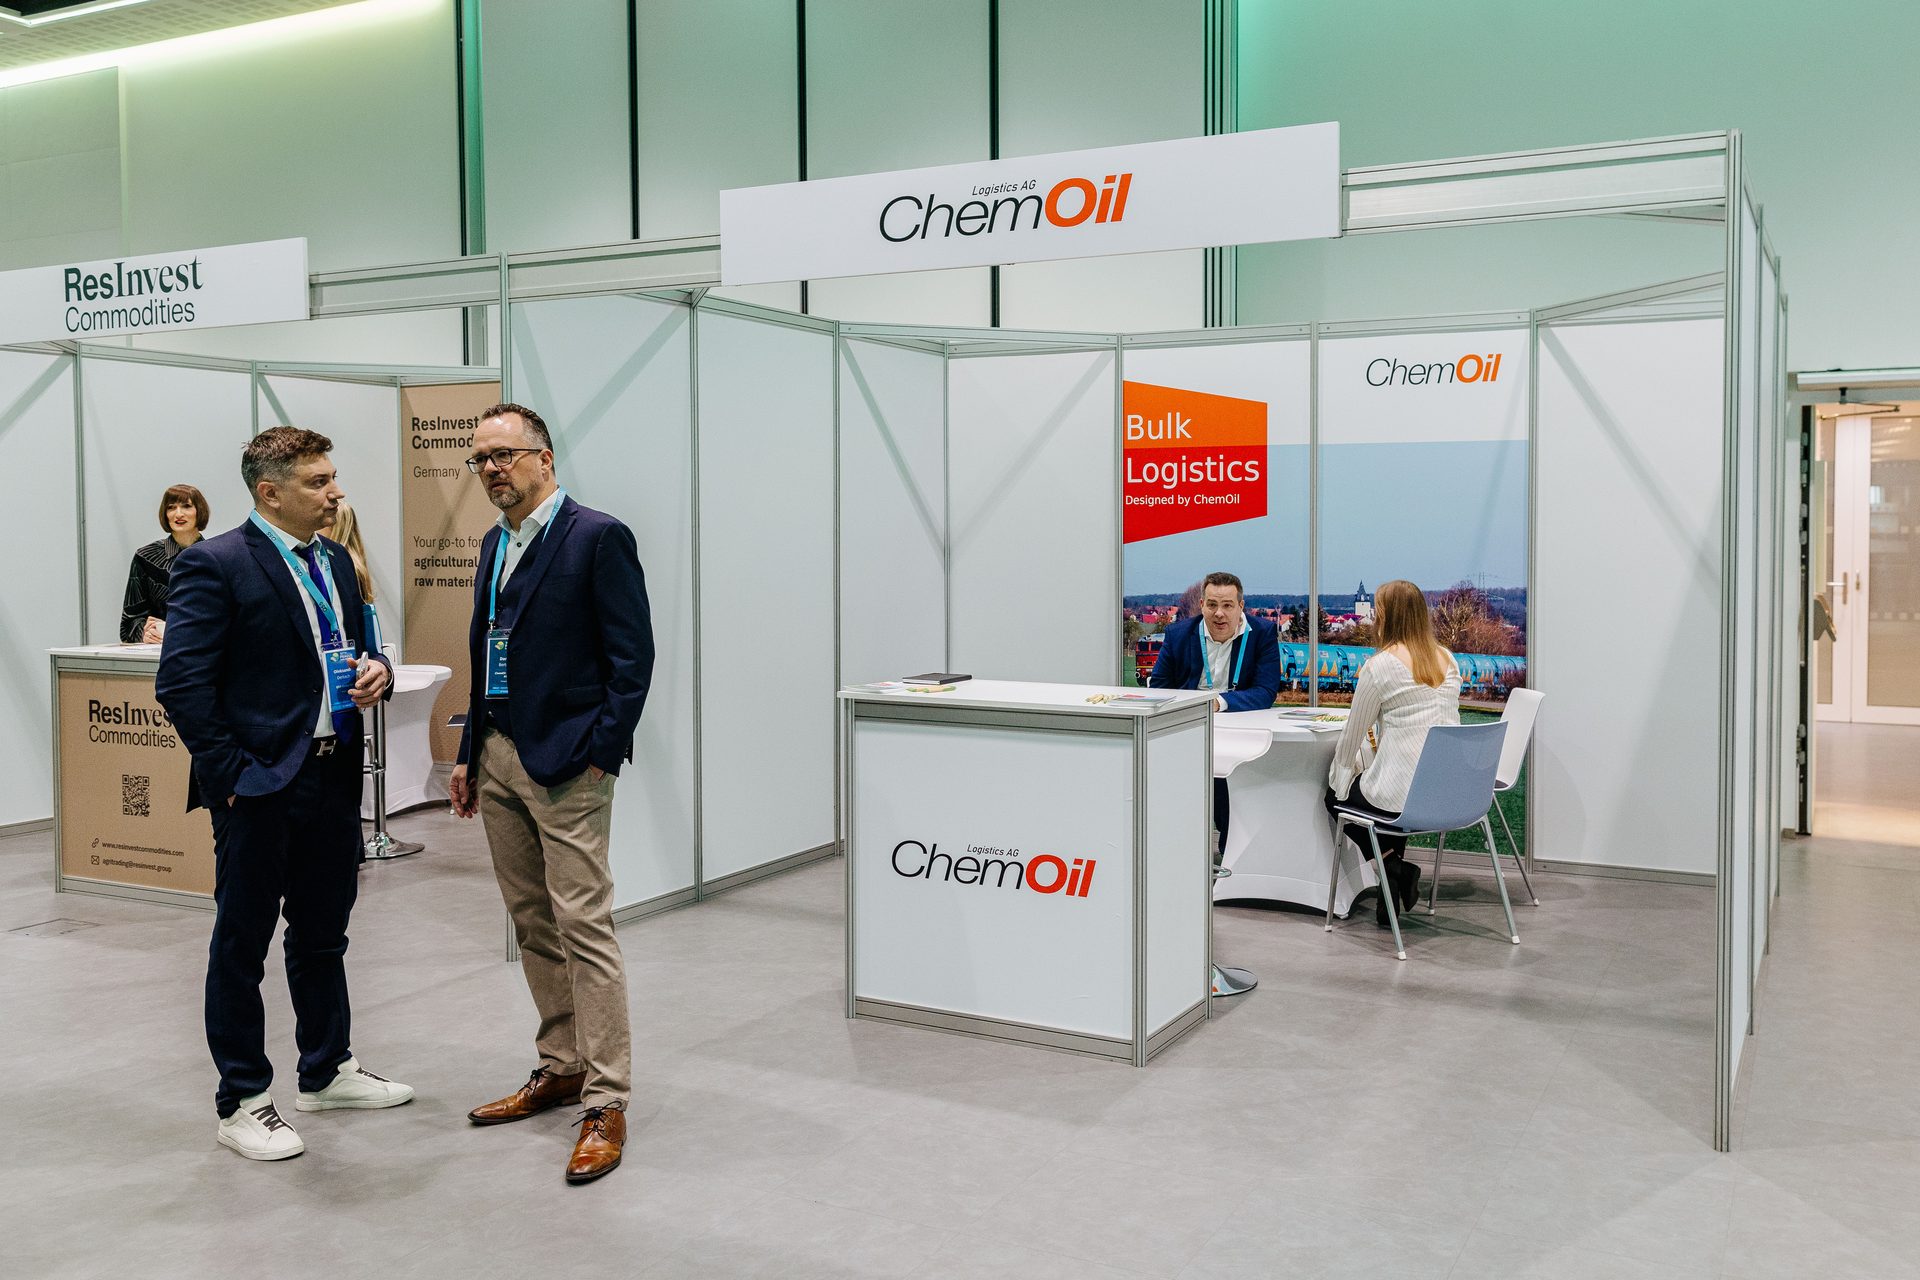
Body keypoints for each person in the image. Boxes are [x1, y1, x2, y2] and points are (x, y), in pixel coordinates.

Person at [155, 427, 410, 1162]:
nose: (335, 492)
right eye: (317, 482)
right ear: (270, 492)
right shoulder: (215, 564)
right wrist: (232, 776)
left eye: (332, 478)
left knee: (324, 933)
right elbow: (182, 684)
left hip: (332, 775)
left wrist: (378, 669)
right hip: (259, 785)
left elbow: (359, 646)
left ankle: (326, 1070)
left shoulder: (335, 561)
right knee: (242, 944)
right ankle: (242, 1100)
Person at [447, 402, 654, 1186]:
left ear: (545, 458)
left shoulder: (597, 537)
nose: (492, 469)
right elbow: (485, 655)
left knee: (584, 925)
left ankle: (606, 1099)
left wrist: (601, 754)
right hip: (498, 756)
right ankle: (561, 1064)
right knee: (532, 923)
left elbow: (632, 659)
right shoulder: (493, 543)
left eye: (504, 455)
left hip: (568, 766)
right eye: (480, 459)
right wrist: (469, 752)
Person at [1324, 579, 1462, 926]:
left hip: (1404, 795)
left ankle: (1394, 869)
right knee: (1386, 798)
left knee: (1337, 798)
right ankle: (1389, 902)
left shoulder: (1380, 666)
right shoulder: (1448, 660)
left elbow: (1353, 735)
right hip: (1450, 792)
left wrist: (1339, 777)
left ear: (1386, 617)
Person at [1146, 571, 1282, 843]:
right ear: (1201, 605)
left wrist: (1220, 702)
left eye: (1227, 605)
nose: (1219, 613)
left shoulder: (1262, 634)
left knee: (1229, 797)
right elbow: (1159, 687)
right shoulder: (1178, 634)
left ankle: (1229, 851)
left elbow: (1265, 692)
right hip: (1188, 730)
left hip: (1237, 734)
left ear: (1241, 606)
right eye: (1212, 605)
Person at [120, 484, 209, 643]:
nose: (178, 514)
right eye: (171, 507)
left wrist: (175, 631)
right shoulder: (145, 557)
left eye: (186, 506)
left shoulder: (217, 556)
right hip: (158, 650)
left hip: (206, 648)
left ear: (199, 511)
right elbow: (129, 624)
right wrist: (145, 633)